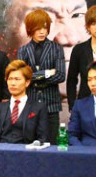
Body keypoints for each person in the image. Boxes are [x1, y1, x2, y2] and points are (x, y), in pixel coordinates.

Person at [17, 9, 65, 144]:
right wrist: (46, 73)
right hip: (30, 106)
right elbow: (22, 78)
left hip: (51, 106)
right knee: (29, 146)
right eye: (38, 28)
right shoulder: (23, 50)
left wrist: (33, 77)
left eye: (45, 28)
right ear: (30, 29)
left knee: (52, 146)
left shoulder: (56, 48)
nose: (42, 32)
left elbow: (60, 76)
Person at [0, 60, 48, 144]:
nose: (12, 83)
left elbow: (42, 139)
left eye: (17, 79)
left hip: (26, 150)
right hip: (0, 150)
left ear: (27, 82)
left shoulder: (38, 108)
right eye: (10, 79)